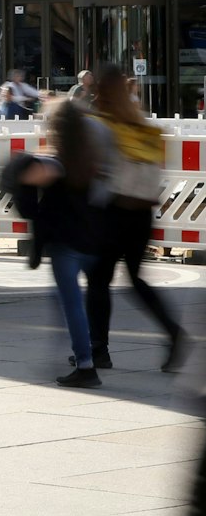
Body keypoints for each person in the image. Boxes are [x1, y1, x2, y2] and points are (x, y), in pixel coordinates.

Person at [85, 63, 187, 372]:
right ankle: (174, 332)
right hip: (142, 215)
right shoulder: (146, 130)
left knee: (98, 281)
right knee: (136, 280)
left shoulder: (103, 126)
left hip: (113, 212)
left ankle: (98, 349)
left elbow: (95, 169)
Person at [1, 100, 105, 387]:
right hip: (91, 240)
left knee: (70, 304)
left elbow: (25, 170)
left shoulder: (56, 163)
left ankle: (85, 364)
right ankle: (89, 354)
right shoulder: (85, 159)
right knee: (68, 301)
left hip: (67, 243)